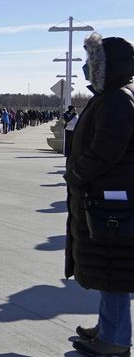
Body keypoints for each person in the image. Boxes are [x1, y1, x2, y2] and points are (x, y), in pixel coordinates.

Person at [64, 34, 134, 357]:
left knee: (114, 272)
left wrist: (77, 173)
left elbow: (106, 150)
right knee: (109, 270)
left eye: (92, 64)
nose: (86, 70)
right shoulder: (110, 97)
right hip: (106, 200)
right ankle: (109, 328)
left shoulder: (119, 99)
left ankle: (116, 340)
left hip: (112, 203)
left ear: (108, 67)